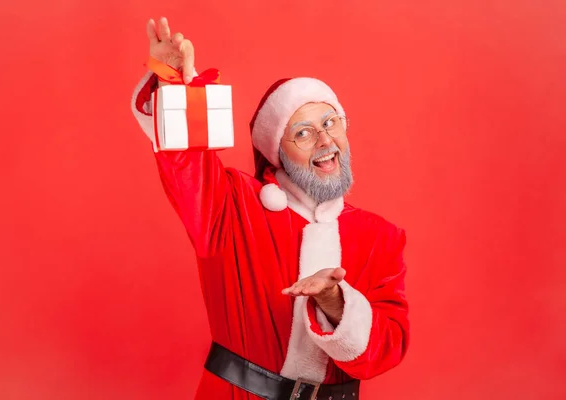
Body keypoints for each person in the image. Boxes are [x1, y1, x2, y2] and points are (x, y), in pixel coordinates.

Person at [131, 16, 409, 400]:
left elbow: (388, 347)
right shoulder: (232, 206)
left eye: (331, 123)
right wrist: (173, 86)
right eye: (304, 133)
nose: (325, 140)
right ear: (277, 152)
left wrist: (335, 302)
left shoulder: (380, 236)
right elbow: (187, 165)